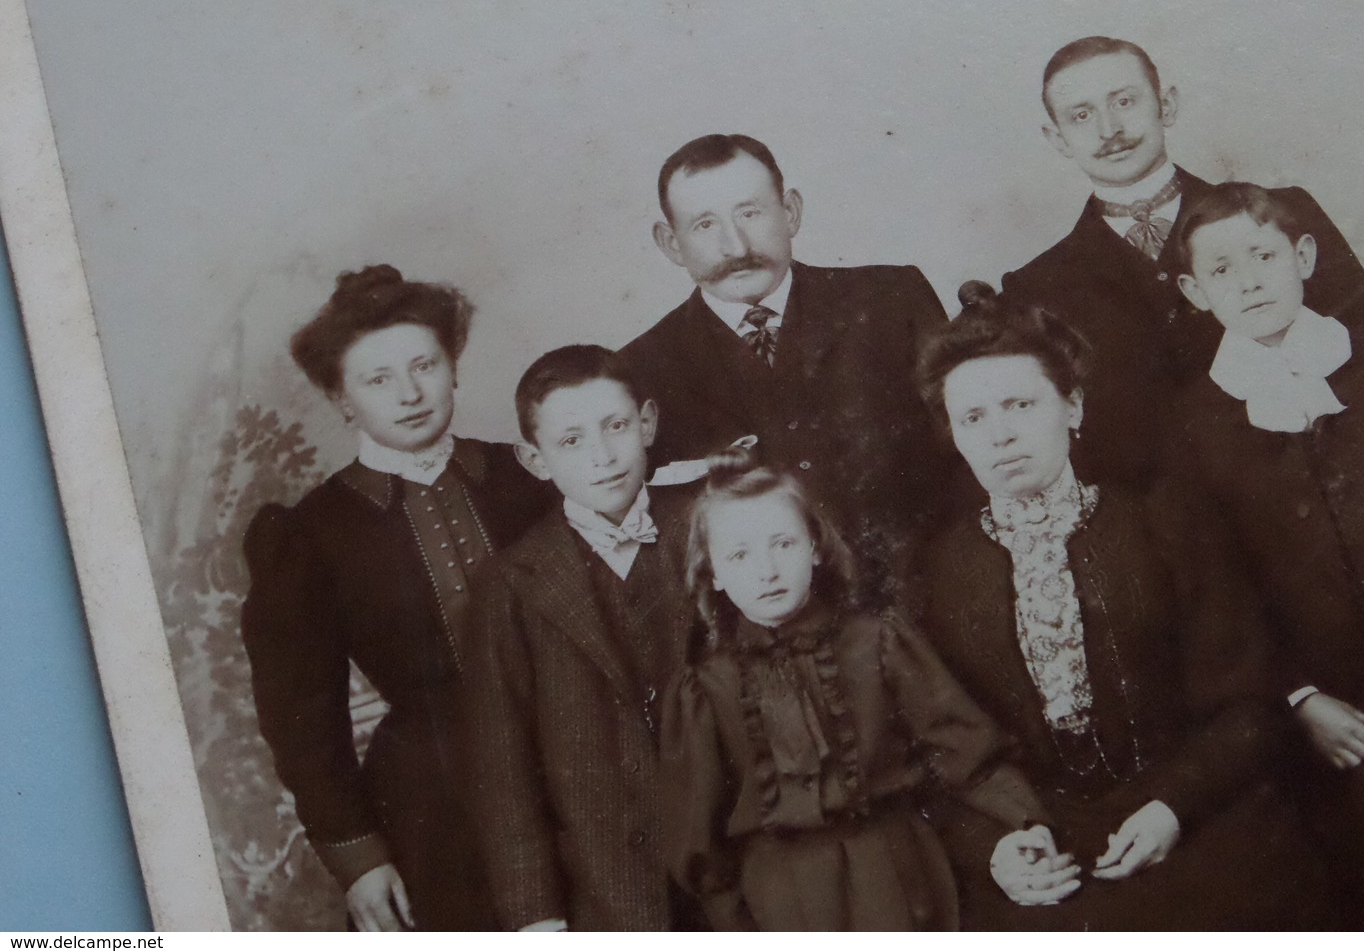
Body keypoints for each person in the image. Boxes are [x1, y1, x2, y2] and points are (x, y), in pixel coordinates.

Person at [912, 289, 1332, 930]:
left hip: (1200, 817)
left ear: (1072, 406)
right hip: (1048, 853)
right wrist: (995, 850)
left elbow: (1248, 706)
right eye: (971, 417)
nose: (999, 434)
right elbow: (937, 762)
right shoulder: (936, 572)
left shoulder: (1164, 522)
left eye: (1020, 404)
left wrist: (1173, 805)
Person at [1167, 181, 1364, 926]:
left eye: (1264, 256)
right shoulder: (1195, 425)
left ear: (1303, 257)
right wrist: (1301, 699)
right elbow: (1220, 593)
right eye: (1221, 270)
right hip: (1344, 720)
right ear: (1193, 290)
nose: (1248, 281)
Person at [241, 265, 552, 931]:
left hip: (573, 764)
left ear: (453, 368)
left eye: (424, 366)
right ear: (341, 399)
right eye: (378, 379)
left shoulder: (527, 478)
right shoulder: (311, 535)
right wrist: (358, 856)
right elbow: (301, 721)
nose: (410, 394)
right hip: (431, 810)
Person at [659, 447, 1050, 930]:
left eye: (782, 543)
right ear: (713, 573)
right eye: (739, 554)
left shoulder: (879, 643)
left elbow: (966, 753)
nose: (766, 570)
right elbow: (700, 844)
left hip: (899, 874)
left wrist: (1024, 821)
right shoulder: (706, 689)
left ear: (815, 547)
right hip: (779, 904)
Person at [998, 36, 1364, 486]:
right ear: (1057, 138)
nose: (1109, 130)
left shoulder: (1283, 213)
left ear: (1166, 106)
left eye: (1124, 101)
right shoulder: (1035, 289)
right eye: (1082, 115)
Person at [620, 133, 963, 599]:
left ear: (792, 212)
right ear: (670, 243)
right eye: (704, 225)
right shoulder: (638, 371)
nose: (734, 245)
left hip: (931, 603)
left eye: (750, 212)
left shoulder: (892, 300)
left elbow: (967, 458)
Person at [459, 344, 701, 931]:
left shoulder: (708, 526)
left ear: (647, 423)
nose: (601, 456)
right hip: (609, 889)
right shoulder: (511, 584)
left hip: (735, 859)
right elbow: (503, 766)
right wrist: (535, 916)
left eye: (615, 426)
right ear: (535, 459)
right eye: (570, 441)